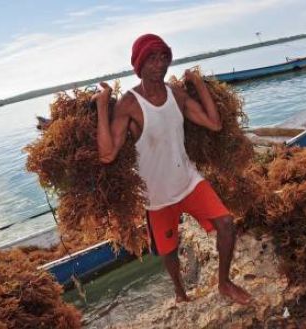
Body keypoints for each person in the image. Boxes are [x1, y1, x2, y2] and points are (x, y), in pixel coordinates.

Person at [92, 34, 252, 305]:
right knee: (169, 251)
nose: (160, 64)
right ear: (139, 65)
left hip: (188, 181)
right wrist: (100, 106)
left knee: (227, 224)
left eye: (163, 58)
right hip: (157, 196)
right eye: (152, 59)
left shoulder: (176, 95)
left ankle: (224, 283)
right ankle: (180, 292)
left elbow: (214, 123)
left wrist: (198, 84)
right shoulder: (130, 104)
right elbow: (107, 154)